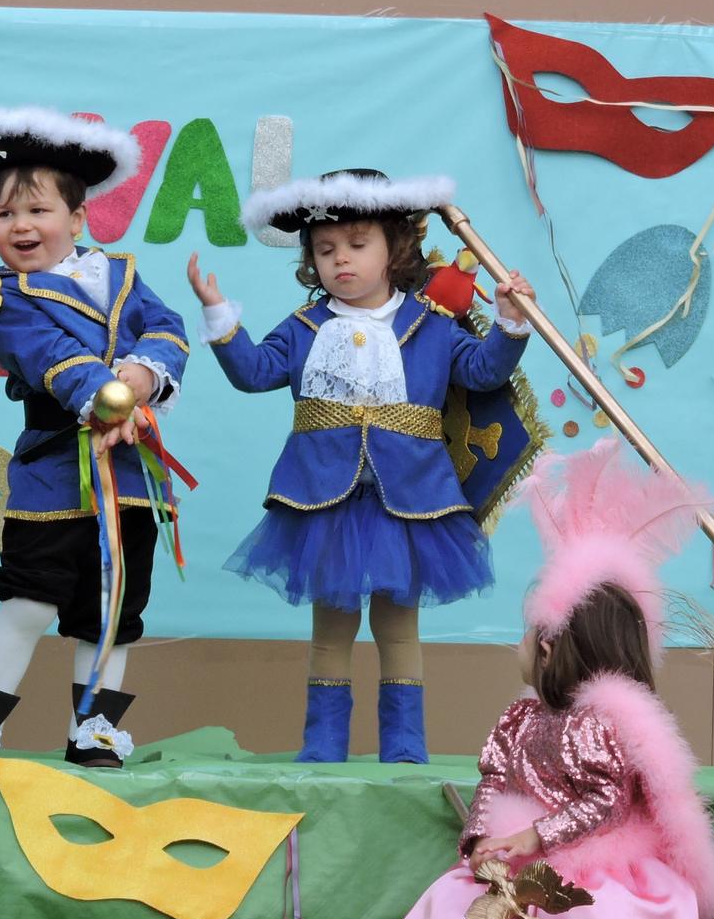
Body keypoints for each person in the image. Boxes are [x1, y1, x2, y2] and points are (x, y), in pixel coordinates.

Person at [386, 439, 714, 919]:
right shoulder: (522, 716)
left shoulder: (607, 722)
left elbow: (607, 801)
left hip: (601, 875)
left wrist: (535, 837)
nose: (517, 646)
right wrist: (483, 840)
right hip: (519, 863)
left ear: (548, 645)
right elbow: (493, 778)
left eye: (525, 634)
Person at [186, 170, 533, 762]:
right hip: (325, 502)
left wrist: (509, 321)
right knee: (332, 629)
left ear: (395, 249)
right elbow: (253, 373)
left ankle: (404, 746)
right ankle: (322, 745)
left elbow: (483, 373)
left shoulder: (431, 325)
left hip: (410, 501)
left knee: (399, 629)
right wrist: (220, 315)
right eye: (325, 250)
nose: (340, 260)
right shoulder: (302, 329)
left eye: (356, 244)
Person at [0, 108, 189, 766]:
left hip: (131, 478)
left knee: (114, 609)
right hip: (53, 470)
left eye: (37, 210)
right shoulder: (2, 299)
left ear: (76, 218)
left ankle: (95, 729)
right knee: (28, 598)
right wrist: (111, 396)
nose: (20, 226)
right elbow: (49, 358)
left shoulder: (124, 276)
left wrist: (140, 374)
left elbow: (167, 330)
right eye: (3, 215)